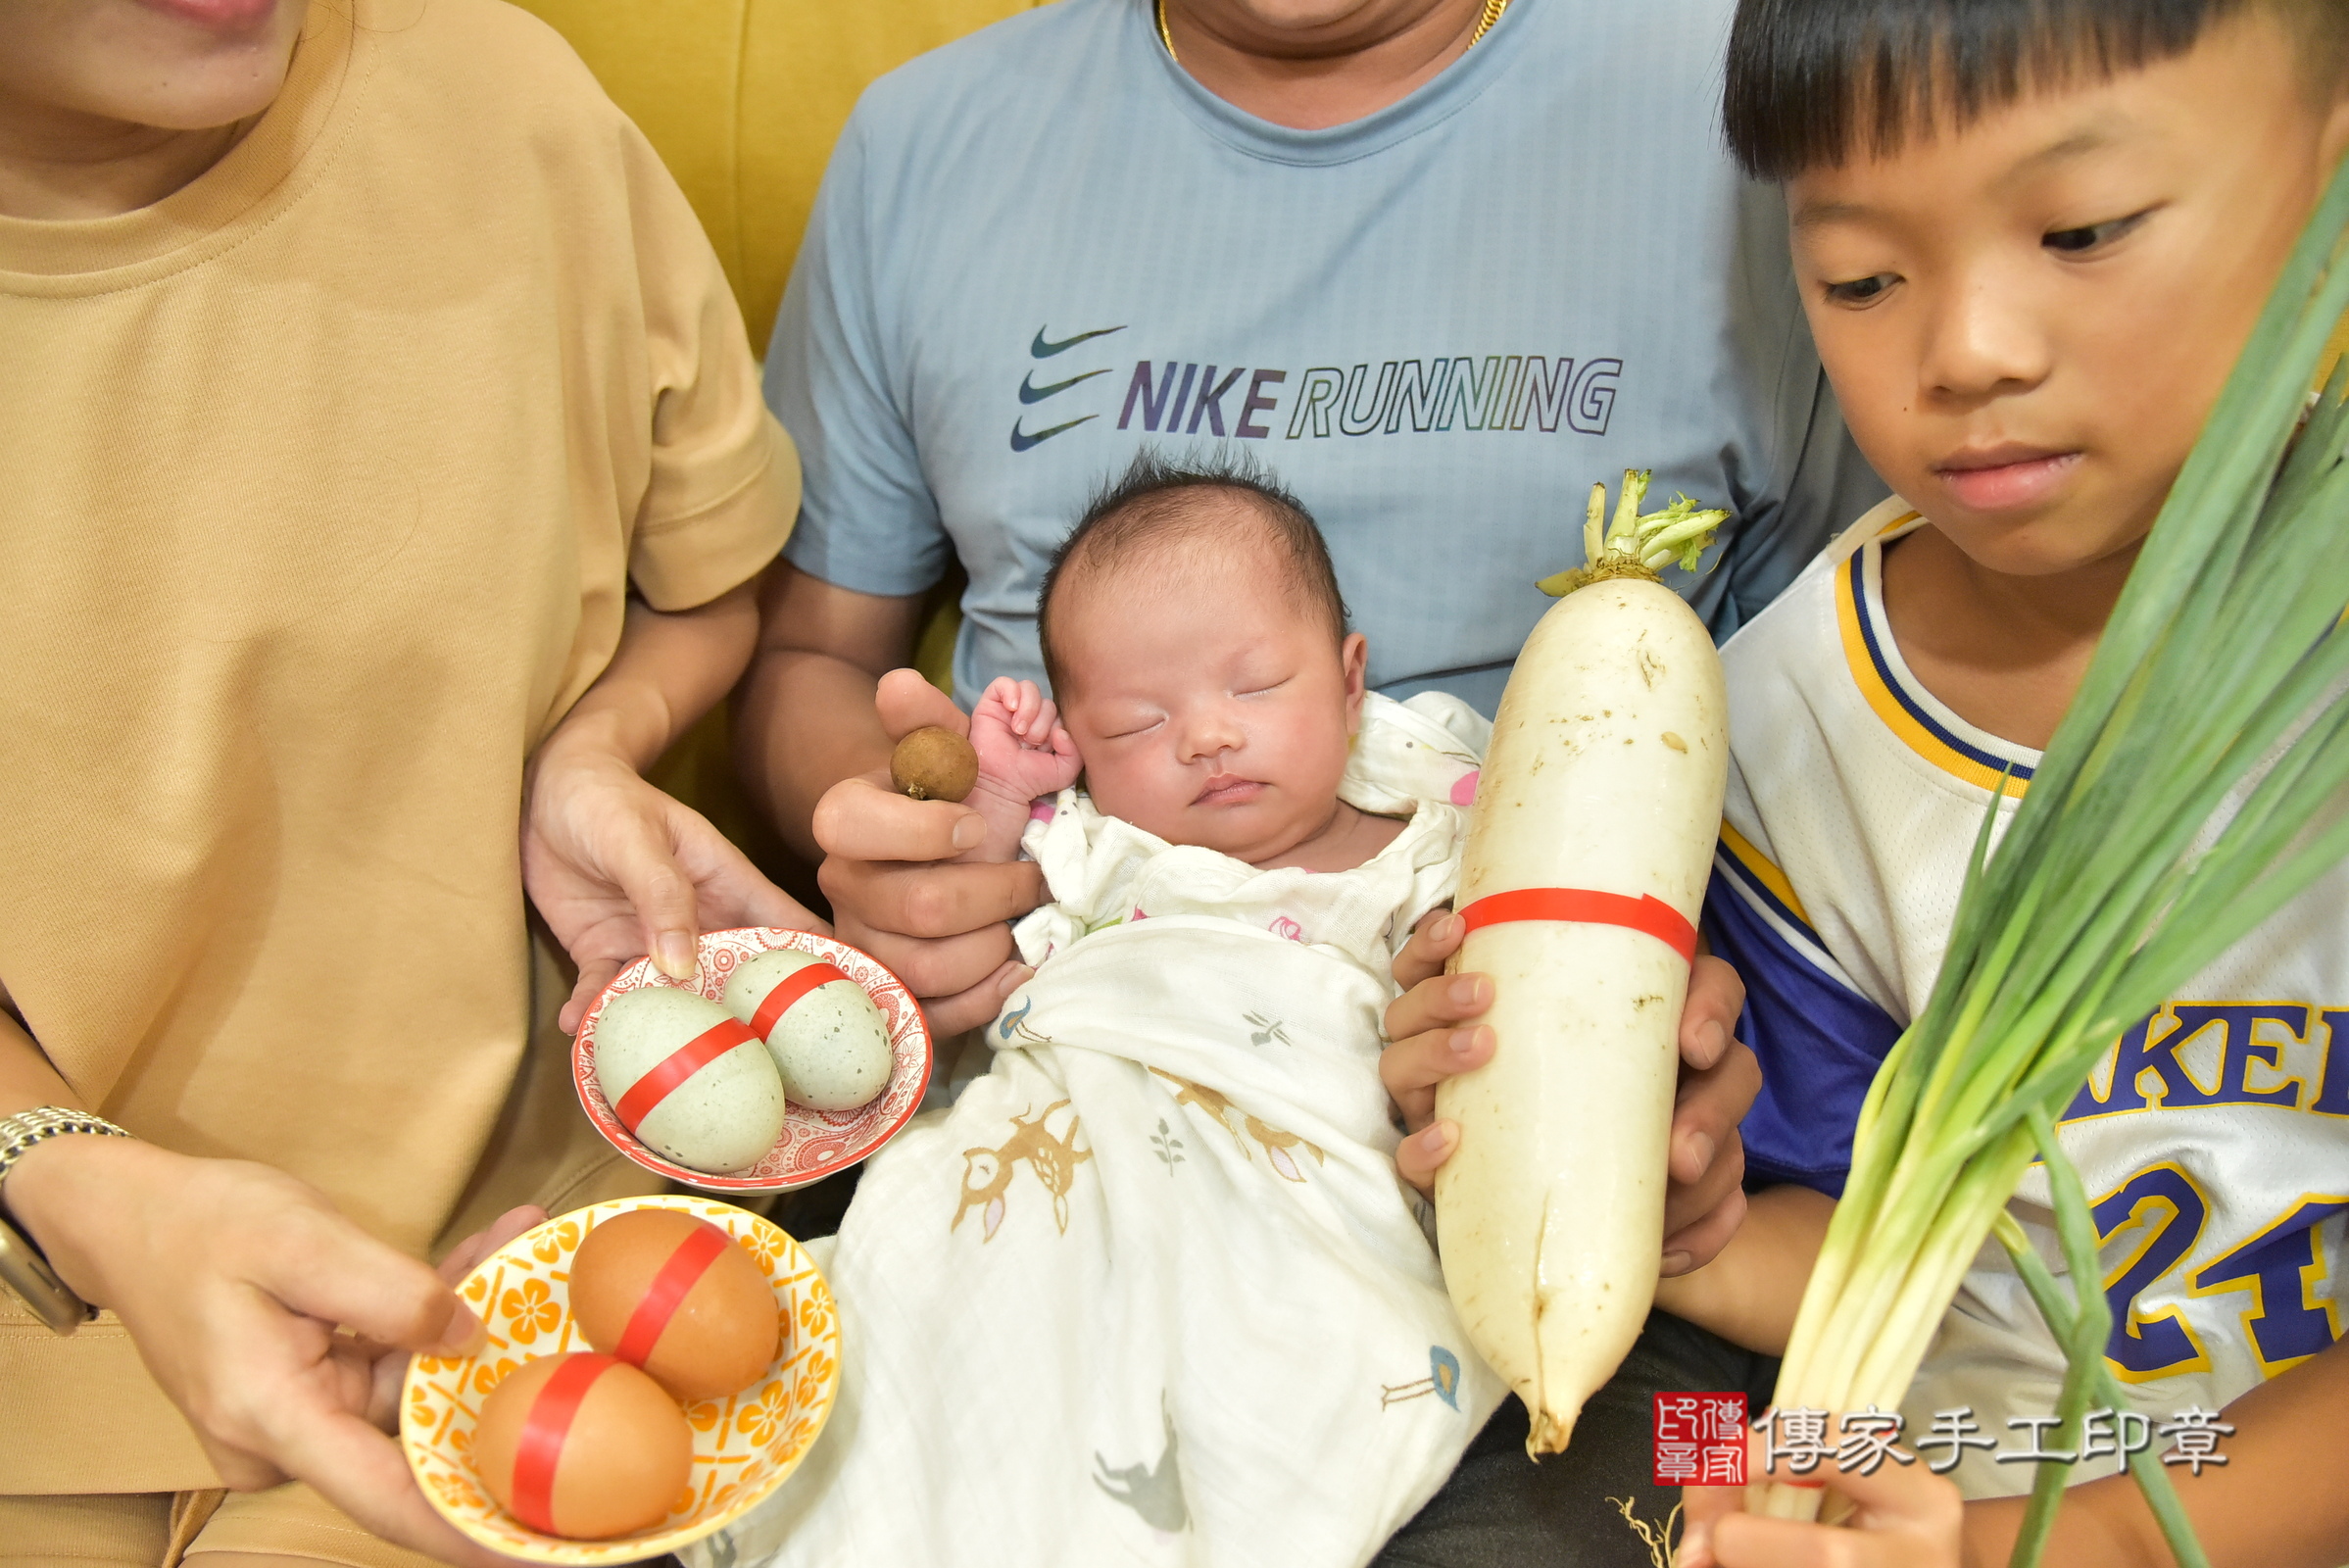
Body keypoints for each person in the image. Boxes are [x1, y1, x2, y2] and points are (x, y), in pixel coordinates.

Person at [736, 0, 1843, 1550]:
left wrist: (1739, 1033)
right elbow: (808, 662)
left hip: (1594, 1173)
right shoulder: (927, 143)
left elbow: (1902, 657)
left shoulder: (1773, 91)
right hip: (1027, 1089)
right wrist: (914, 842)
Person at [0, 3, 818, 1565]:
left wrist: (589, 745)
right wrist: (81, 1187)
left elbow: (710, 577)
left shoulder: (504, 102)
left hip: (517, 1291)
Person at [1609, 0, 2349, 1561]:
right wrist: (1660, 1219)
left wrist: (2057, 1548)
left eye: (2080, 230)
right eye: (1859, 278)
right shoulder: (1783, 729)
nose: (1966, 353)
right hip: (1957, 1473)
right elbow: (1859, 1238)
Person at [710, 452, 1520, 1566]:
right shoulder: (1102, 843)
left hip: (1313, 1184)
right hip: (1066, 1137)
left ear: (1348, 679)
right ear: (1084, 751)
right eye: (1140, 723)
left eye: (1254, 686)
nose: (1206, 735)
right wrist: (998, 784)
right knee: (919, 1278)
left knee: (1305, 1348)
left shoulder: (1437, 817)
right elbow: (967, 897)